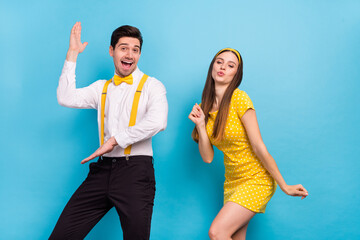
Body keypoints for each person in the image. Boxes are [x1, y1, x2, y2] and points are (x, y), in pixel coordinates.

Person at [50, 22, 168, 240]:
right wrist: (72, 55)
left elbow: (158, 122)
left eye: (135, 49)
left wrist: (116, 139)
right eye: (123, 48)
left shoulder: (153, 86)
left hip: (135, 172)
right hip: (102, 171)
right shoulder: (101, 88)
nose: (130, 54)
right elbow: (65, 97)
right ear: (112, 51)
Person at [188, 48, 308, 240]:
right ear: (212, 66)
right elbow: (208, 158)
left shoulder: (239, 98)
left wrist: (284, 185)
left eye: (230, 65)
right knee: (235, 237)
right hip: (233, 182)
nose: (223, 67)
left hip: (257, 179)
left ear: (236, 74)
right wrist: (201, 126)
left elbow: (258, 146)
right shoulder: (204, 109)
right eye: (219, 62)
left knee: (217, 232)